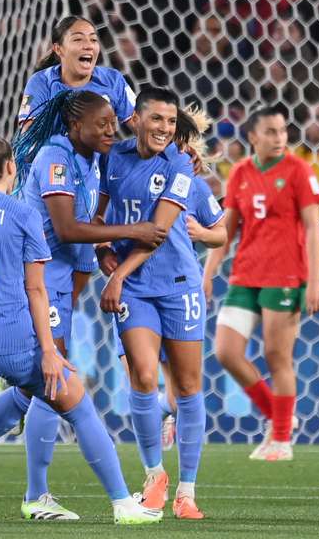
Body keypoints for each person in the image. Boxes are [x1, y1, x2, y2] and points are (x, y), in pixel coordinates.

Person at [0, 135, 161, 526]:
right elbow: (36, 290)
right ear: (10, 168)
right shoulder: (23, 215)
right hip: (12, 341)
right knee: (79, 406)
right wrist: (51, 352)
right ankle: (123, 504)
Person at [97, 86, 215, 519]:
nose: (165, 127)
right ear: (138, 119)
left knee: (186, 387)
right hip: (135, 290)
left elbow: (158, 231)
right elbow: (98, 215)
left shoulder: (181, 165)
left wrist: (116, 276)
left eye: (171, 120)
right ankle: (154, 477)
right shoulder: (112, 158)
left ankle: (187, 491)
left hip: (178, 284)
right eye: (157, 119)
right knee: (143, 376)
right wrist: (100, 251)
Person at [203, 104, 319, 463]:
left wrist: (315, 282)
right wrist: (208, 273)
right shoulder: (240, 172)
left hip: (285, 276)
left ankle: (282, 439)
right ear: (253, 136)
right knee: (226, 351)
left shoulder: (299, 170)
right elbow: (226, 231)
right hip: (245, 275)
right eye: (271, 132)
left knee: (276, 356)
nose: (279, 138)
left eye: (283, 131)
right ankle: (279, 416)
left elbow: (314, 229)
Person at [113, 173, 226, 454]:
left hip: (176, 291)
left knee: (179, 396)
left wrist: (202, 234)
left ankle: (167, 415)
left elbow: (221, 233)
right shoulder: (120, 172)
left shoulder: (191, 183)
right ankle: (153, 476)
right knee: (140, 381)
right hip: (133, 291)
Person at [17, 16, 136, 134]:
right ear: (58, 49)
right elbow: (28, 136)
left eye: (93, 40)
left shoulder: (113, 80)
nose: (88, 46)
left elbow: (140, 127)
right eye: (78, 39)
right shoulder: (40, 82)